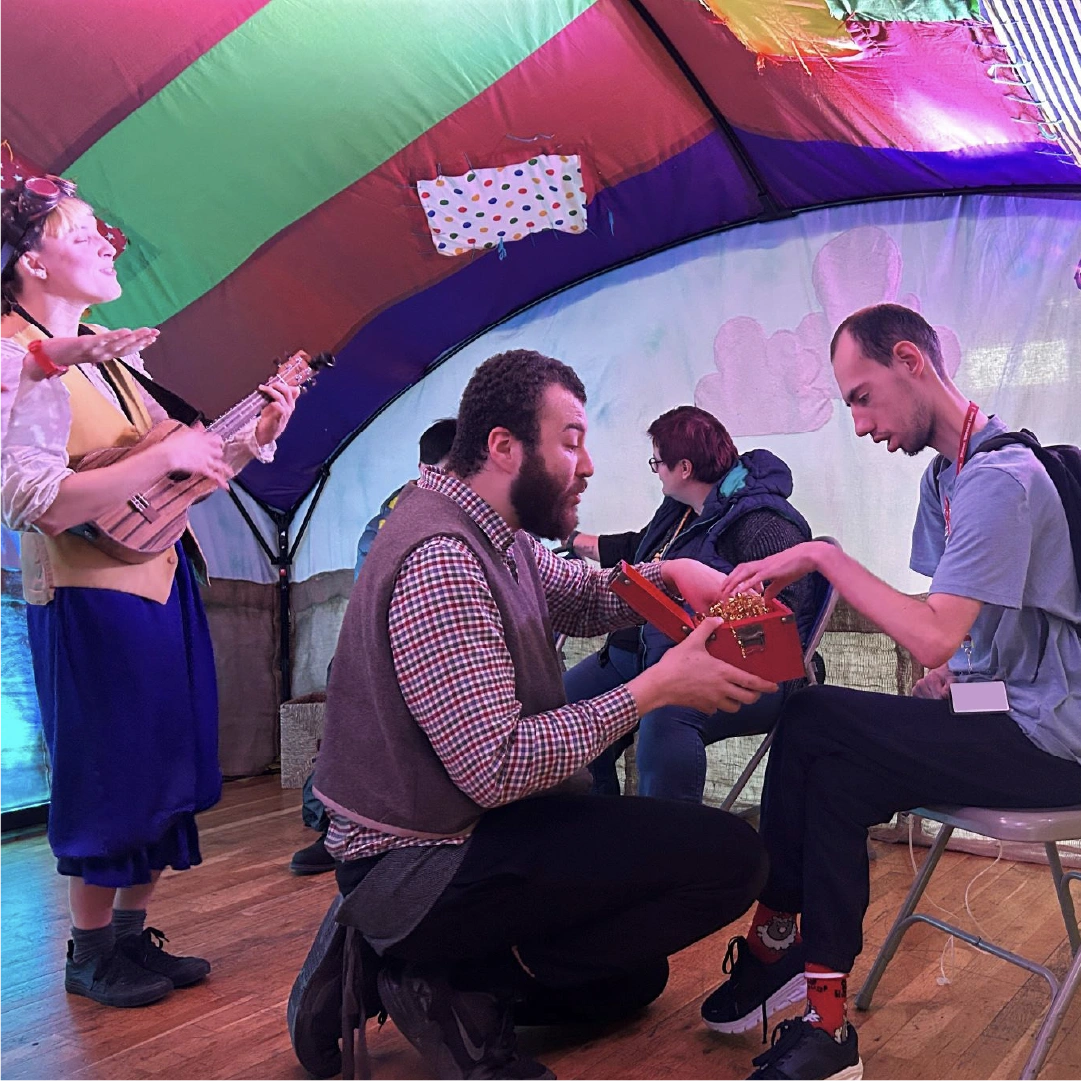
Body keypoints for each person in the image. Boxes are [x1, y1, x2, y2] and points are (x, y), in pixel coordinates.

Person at [292, 348, 777, 1081]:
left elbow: (582, 597)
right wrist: (654, 688)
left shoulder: (494, 528)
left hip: (463, 830)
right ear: (502, 445)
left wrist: (673, 573)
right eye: (572, 440)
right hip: (418, 857)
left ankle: (446, 972)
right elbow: (496, 767)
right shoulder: (442, 555)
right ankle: (415, 962)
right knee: (731, 861)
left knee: (631, 982)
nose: (586, 465)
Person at [701, 303, 1081, 1081]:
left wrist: (820, 555)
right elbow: (957, 637)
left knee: (809, 710)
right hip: (1000, 708)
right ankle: (827, 1024)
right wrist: (948, 675)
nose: (860, 423)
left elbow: (930, 631)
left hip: (1054, 736)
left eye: (861, 396)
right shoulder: (946, 479)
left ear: (910, 360)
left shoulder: (1000, 478)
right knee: (836, 773)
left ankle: (775, 935)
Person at [0, 176, 298, 1009]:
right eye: (85, 231)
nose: (106, 243)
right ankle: (88, 952)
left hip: (162, 578)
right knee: (111, 771)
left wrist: (248, 443)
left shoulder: (117, 354)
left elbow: (165, 490)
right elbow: (33, 497)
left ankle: (132, 939)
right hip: (86, 594)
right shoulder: (11, 356)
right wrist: (160, 461)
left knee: (169, 761)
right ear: (32, 261)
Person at [564, 405, 816, 800]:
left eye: (657, 463)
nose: (656, 471)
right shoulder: (680, 511)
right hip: (646, 653)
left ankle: (670, 850)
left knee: (667, 714)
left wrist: (705, 614)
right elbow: (639, 548)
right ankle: (598, 827)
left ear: (683, 468)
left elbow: (779, 610)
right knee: (562, 703)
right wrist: (574, 540)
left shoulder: (762, 521)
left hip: (744, 666)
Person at [289, 417, 457, 876]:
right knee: (361, 724)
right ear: (438, 467)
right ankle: (337, 828)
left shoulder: (438, 506)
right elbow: (387, 600)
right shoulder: (407, 511)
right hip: (382, 650)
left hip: (405, 649)